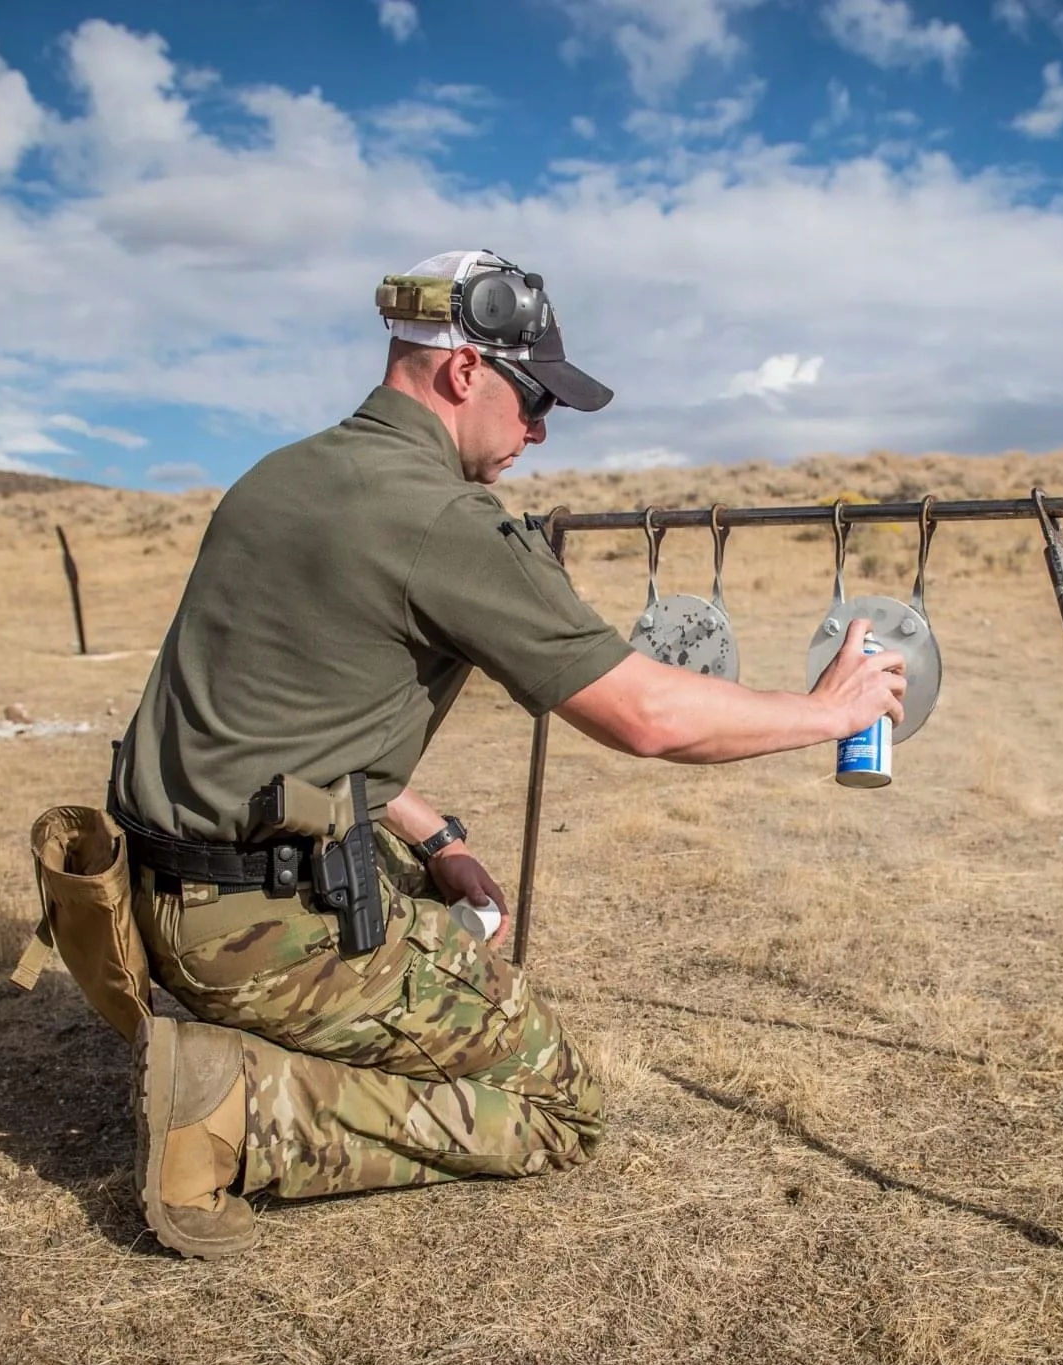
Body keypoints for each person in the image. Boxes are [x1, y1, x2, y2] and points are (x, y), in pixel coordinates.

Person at [113, 249, 907, 1257]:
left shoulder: (284, 476)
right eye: (533, 401)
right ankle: (233, 1106)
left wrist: (429, 829)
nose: (539, 431)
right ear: (461, 373)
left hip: (156, 889)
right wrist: (827, 714)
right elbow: (646, 716)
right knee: (562, 1107)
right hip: (257, 932)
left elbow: (279, 717)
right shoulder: (440, 516)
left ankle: (265, 1038)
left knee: (449, 924)